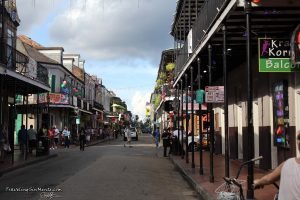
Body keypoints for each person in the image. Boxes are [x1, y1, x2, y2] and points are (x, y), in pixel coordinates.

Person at [253, 131, 300, 200]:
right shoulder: (287, 163)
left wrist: (258, 182)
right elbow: (268, 179)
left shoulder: (287, 163)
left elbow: (269, 179)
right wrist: (259, 182)